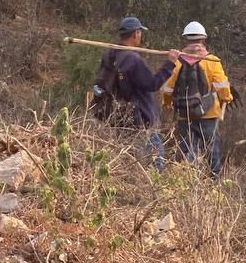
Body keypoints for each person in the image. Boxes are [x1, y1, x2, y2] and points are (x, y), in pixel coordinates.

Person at [94, 17, 179, 168]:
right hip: (140, 119)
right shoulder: (132, 59)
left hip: (118, 116)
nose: (140, 36)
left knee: (127, 158)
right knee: (155, 160)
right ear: (136, 34)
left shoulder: (110, 53)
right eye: (140, 33)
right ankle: (151, 188)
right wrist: (170, 63)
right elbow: (152, 84)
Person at [160, 21, 233, 177]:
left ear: (186, 39)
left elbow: (167, 88)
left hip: (184, 115)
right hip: (209, 114)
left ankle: (191, 183)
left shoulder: (177, 62)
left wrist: (166, 104)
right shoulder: (212, 61)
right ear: (203, 39)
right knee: (211, 150)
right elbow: (222, 86)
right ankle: (214, 184)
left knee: (188, 152)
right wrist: (227, 97)